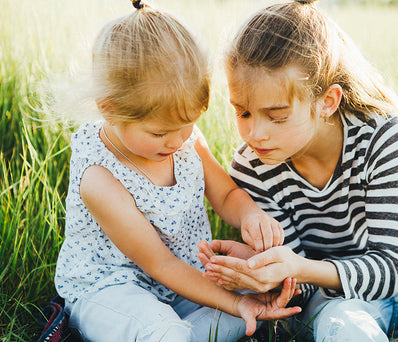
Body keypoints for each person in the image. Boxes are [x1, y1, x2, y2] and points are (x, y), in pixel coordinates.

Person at [197, 0, 398, 341]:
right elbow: (298, 287)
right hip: (332, 298)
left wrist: (295, 266)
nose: (255, 133)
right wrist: (265, 271)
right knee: (344, 328)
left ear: (327, 102)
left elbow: (391, 269)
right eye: (242, 113)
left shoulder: (382, 134)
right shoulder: (252, 166)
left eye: (277, 116)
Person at [53, 1, 302, 341]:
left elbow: (226, 194)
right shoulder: (100, 177)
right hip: (113, 288)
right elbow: (161, 264)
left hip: (182, 281)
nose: (177, 141)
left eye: (188, 124)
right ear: (109, 109)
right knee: (170, 329)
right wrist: (233, 304)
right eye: (159, 132)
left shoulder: (186, 141)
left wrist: (250, 216)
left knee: (253, 304)